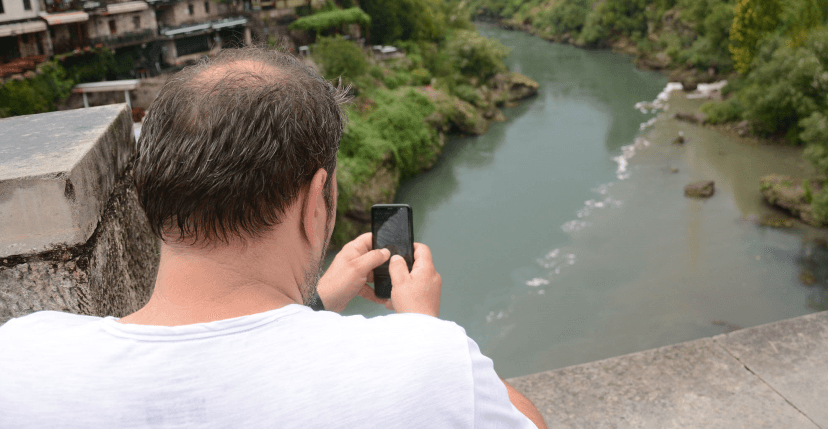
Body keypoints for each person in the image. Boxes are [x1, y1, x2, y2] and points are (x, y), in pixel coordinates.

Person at [0, 47, 547, 429]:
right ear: (315, 205)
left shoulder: (21, 358)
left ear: (149, 192)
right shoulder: (421, 363)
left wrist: (317, 303)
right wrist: (420, 330)